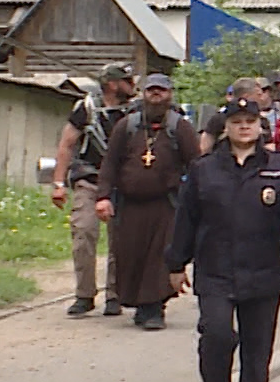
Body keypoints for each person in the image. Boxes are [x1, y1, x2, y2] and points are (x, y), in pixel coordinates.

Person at [165, 92, 280, 382]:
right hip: (215, 269)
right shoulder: (204, 170)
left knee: (257, 347)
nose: (244, 128)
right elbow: (185, 220)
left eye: (250, 123)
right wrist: (175, 264)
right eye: (236, 123)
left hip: (263, 271)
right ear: (225, 128)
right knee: (216, 337)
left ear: (260, 127)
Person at [93, 73, 200, 330]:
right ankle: (141, 304)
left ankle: (155, 309)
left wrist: (196, 198)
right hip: (129, 205)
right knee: (130, 255)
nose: (156, 95)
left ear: (169, 94)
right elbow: (110, 164)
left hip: (166, 205)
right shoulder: (126, 126)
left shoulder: (180, 127)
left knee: (160, 256)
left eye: (161, 91)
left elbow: (196, 165)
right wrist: (103, 196)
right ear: (143, 93)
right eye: (151, 90)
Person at [54, 62, 135, 318]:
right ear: (113, 84)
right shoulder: (86, 108)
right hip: (89, 180)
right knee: (83, 232)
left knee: (121, 240)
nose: (133, 86)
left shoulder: (136, 112)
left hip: (124, 184)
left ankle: (115, 294)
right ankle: (84, 294)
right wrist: (58, 183)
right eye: (128, 81)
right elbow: (67, 144)